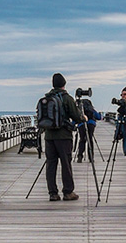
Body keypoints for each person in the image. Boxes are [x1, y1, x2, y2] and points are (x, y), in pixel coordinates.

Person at [37, 73, 84, 201]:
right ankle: (68, 192)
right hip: (63, 136)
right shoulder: (67, 98)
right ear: (64, 84)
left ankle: (53, 193)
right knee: (65, 164)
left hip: (49, 136)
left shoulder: (47, 98)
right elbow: (76, 116)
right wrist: (82, 116)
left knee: (51, 164)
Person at [76, 92, 100, 163]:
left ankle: (80, 156)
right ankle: (91, 157)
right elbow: (99, 117)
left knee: (82, 140)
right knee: (90, 140)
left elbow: (75, 118)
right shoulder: (92, 110)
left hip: (81, 125)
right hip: (91, 124)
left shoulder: (80, 110)